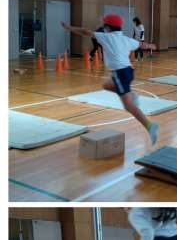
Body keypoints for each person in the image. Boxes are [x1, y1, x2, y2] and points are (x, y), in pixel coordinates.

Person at [61, 14, 159, 144]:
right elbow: (141, 45)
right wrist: (151, 46)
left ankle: (150, 126)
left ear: (107, 28)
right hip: (128, 71)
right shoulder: (125, 39)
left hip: (120, 73)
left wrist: (70, 28)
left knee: (129, 106)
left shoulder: (106, 37)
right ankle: (131, 94)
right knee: (106, 85)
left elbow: (85, 32)